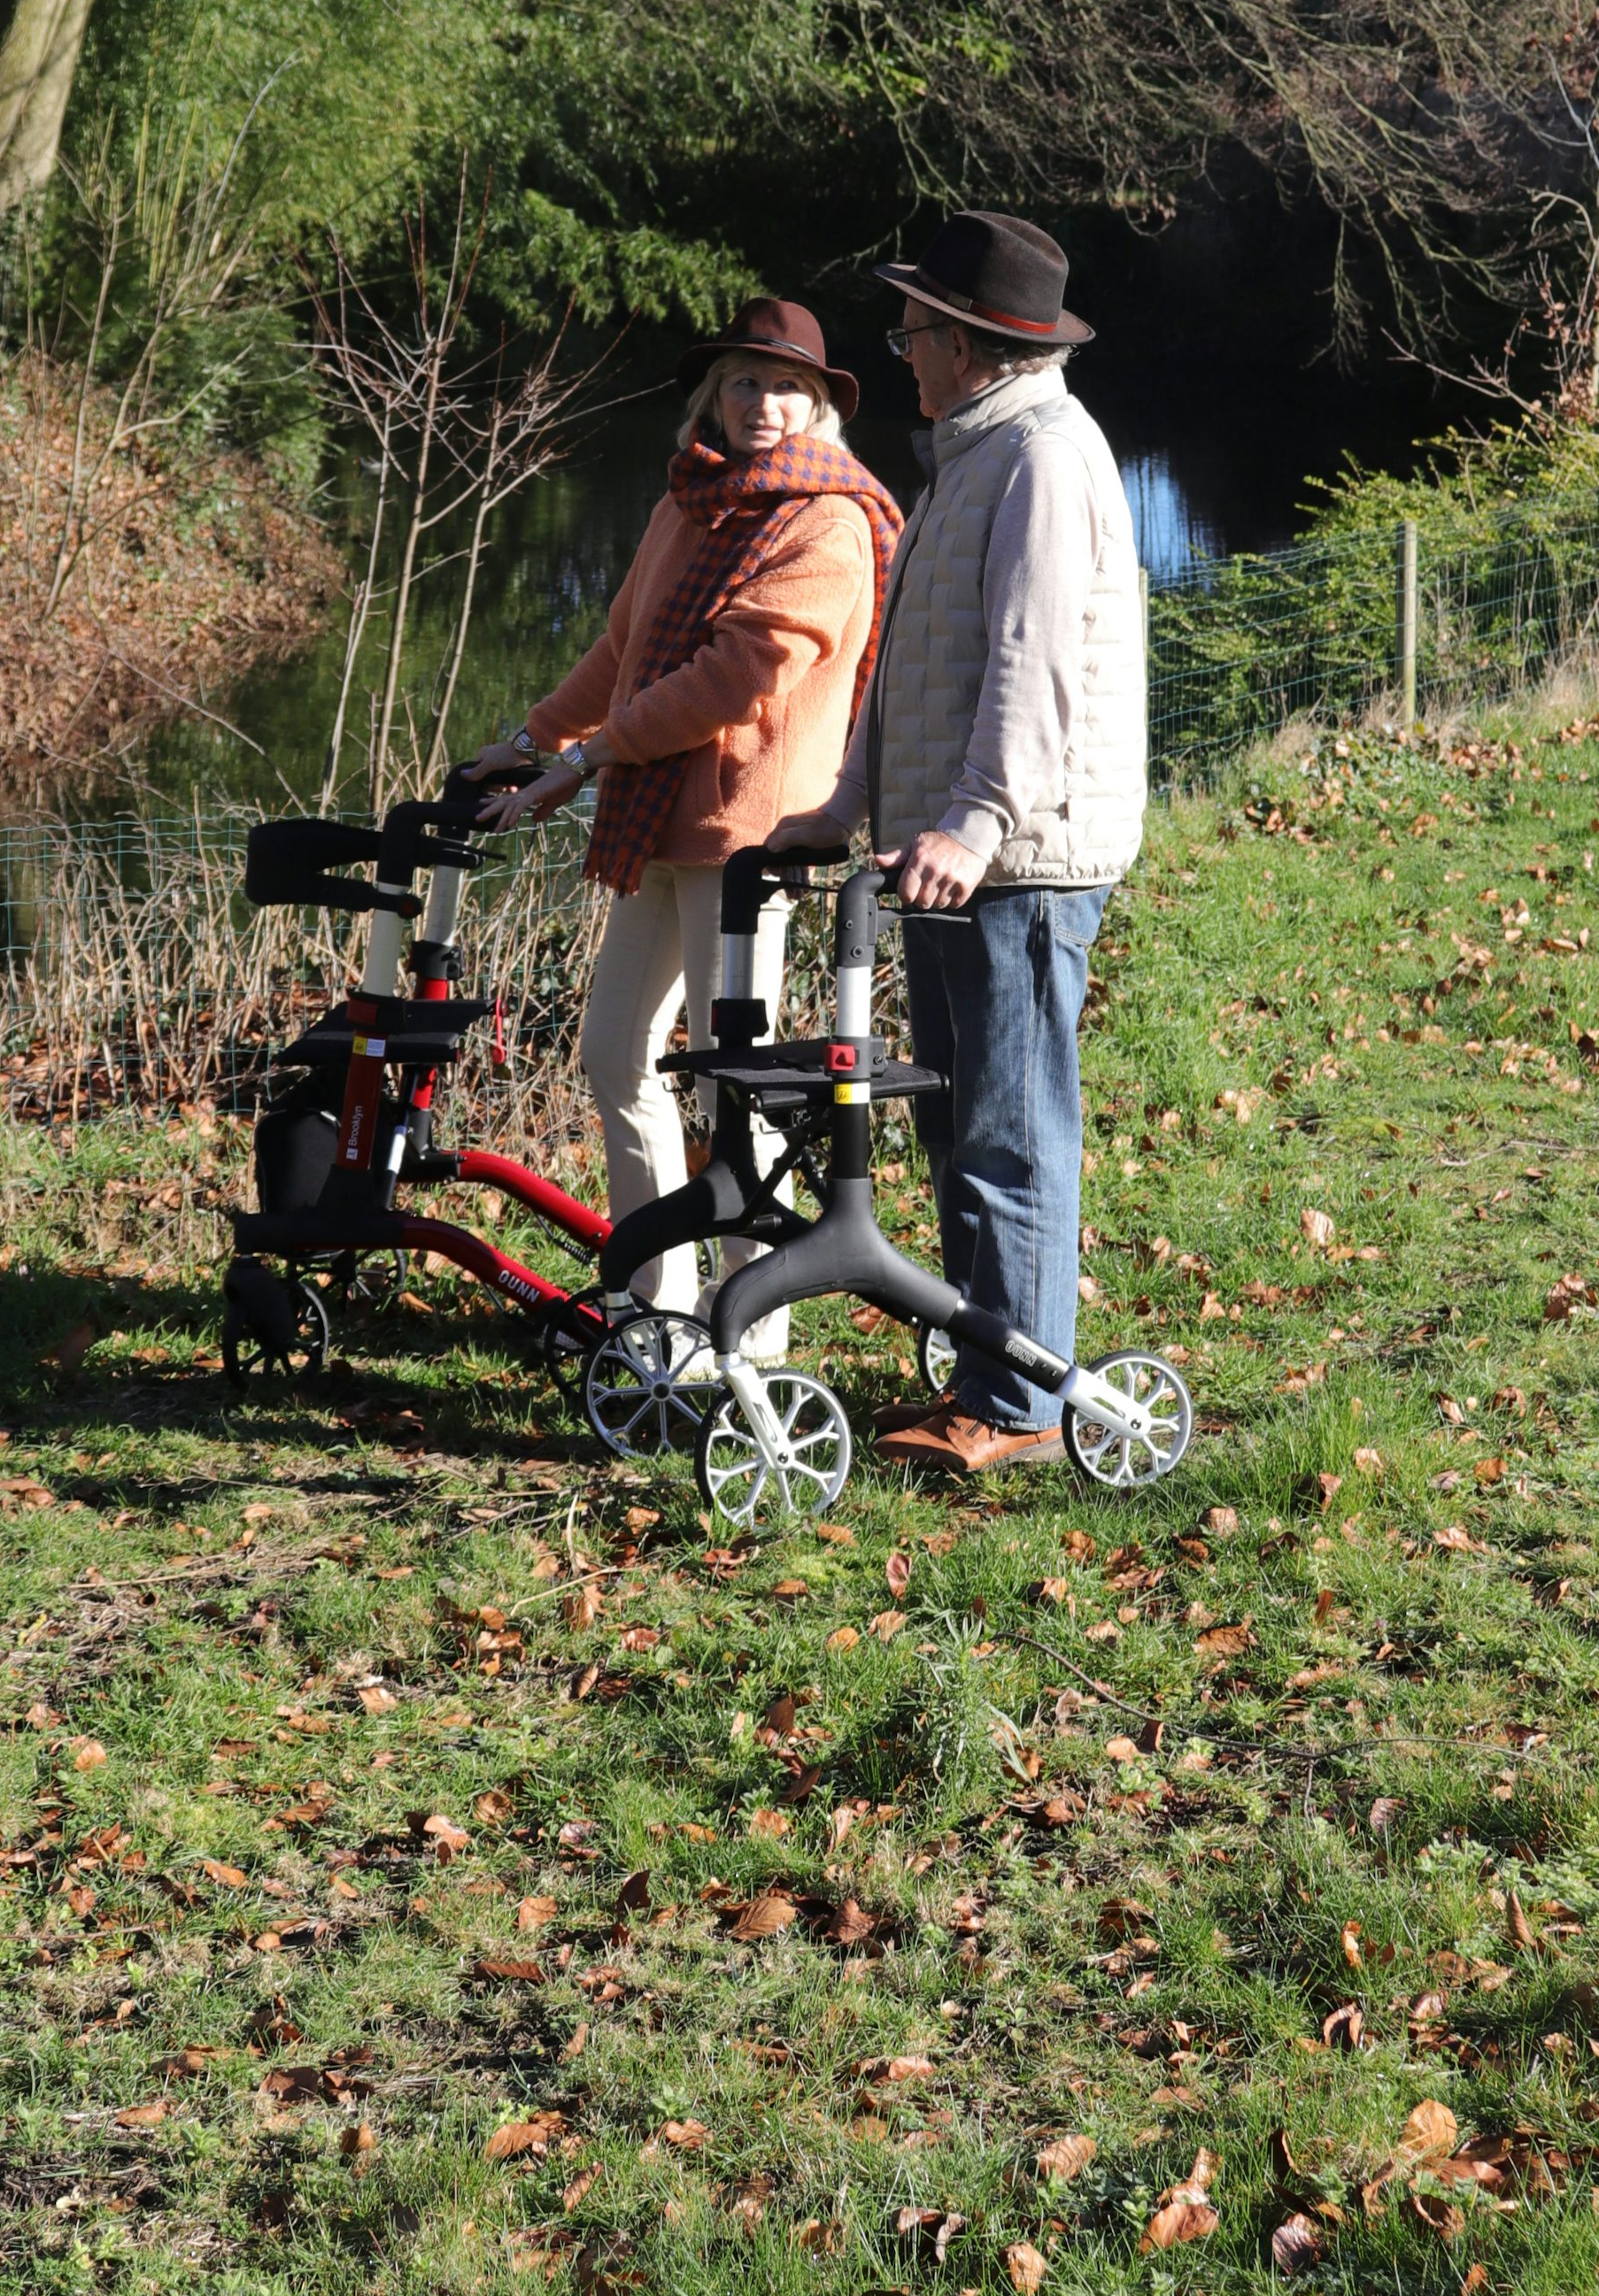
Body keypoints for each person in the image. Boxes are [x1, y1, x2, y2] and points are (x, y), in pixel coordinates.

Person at [773, 212, 1145, 1472]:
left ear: (976, 343)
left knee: (1010, 1130)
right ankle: (992, 1369)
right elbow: (910, 668)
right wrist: (847, 807)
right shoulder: (973, 455)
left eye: (917, 330)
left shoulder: (1044, 457)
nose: (905, 353)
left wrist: (979, 822)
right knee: (960, 1129)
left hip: (1017, 862)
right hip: (951, 854)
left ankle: (1019, 1410)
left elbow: (1033, 666)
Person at [467, 298, 900, 1341]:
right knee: (615, 1053)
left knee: (736, 1092)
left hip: (748, 844)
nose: (764, 404)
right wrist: (534, 741)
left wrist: (592, 757)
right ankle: (656, 1306)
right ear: (714, 395)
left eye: (787, 386)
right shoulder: (691, 501)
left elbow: (732, 680)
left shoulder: (828, 521)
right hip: (660, 825)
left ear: (819, 405)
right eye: (745, 382)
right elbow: (624, 651)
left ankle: (754, 1328)